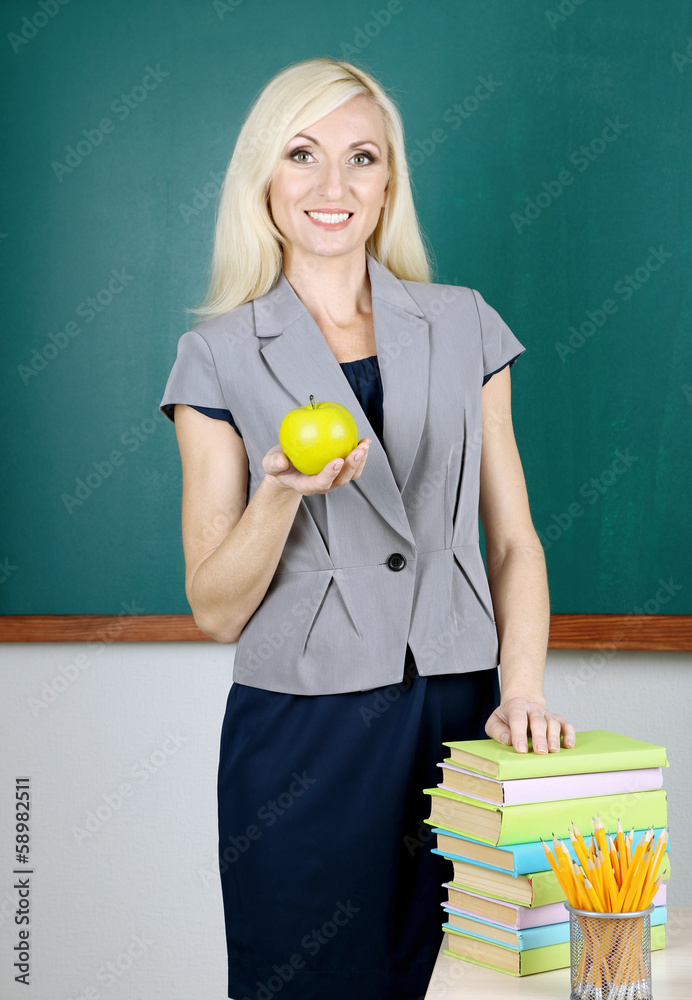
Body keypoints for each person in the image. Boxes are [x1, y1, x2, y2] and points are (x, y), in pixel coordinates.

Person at [160, 57, 575, 1000]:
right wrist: (279, 497)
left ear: (390, 186)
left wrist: (522, 691)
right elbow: (215, 608)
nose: (332, 186)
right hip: (303, 737)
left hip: (462, 715)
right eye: (302, 155)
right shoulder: (217, 356)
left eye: (362, 158)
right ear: (264, 180)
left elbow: (511, 541)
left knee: (474, 979)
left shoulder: (466, 324)